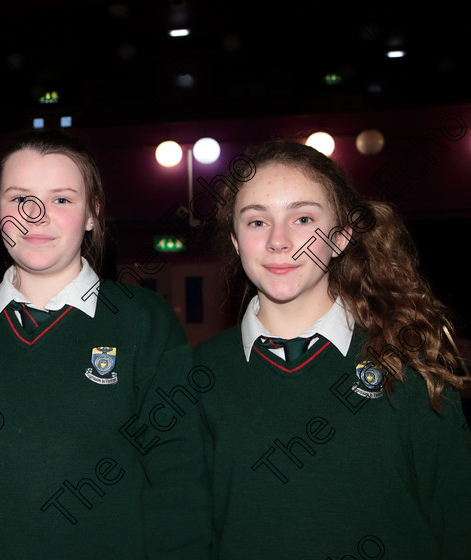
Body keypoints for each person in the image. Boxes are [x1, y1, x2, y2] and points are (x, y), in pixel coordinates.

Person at [0, 129, 208, 559]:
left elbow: (179, 482)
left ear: (92, 214)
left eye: (62, 199)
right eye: (18, 198)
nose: (36, 215)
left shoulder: (144, 321)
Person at [193, 139, 471, 559]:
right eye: (256, 222)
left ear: (341, 238)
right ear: (235, 241)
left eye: (302, 218)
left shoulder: (409, 362)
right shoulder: (198, 373)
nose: (279, 241)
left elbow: (457, 522)